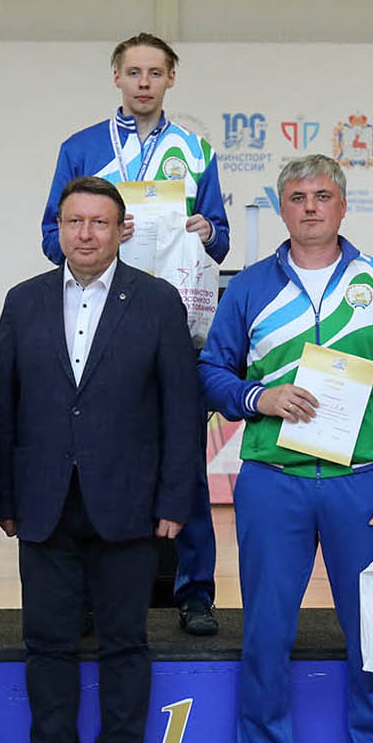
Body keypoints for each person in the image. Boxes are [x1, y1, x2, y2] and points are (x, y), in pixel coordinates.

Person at [199, 154, 373, 743]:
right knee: (267, 633)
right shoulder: (249, 287)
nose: (309, 207)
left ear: (343, 204)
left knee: (372, 634)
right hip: (274, 483)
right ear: (281, 208)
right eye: (296, 197)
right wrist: (259, 396)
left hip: (365, 483)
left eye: (322, 195)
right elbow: (211, 372)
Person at [0, 176, 199, 743]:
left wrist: (175, 498)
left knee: (124, 645)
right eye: (74, 221)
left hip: (129, 506)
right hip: (43, 504)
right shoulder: (22, 300)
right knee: (47, 644)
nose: (85, 233)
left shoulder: (158, 301)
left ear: (120, 230)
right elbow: (3, 406)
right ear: (57, 228)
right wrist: (0, 496)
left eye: (99, 222)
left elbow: (181, 409)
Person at [41, 32, 228, 636]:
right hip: (98, 323)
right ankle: (91, 595)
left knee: (184, 458)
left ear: (171, 78)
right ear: (116, 77)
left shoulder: (195, 151)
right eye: (134, 72)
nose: (144, 82)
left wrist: (206, 230)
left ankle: (195, 591)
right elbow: (49, 238)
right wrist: (95, 235)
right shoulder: (81, 147)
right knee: (94, 460)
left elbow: (222, 239)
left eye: (155, 72)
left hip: (172, 321)